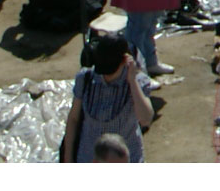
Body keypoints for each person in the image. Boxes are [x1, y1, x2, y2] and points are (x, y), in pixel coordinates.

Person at [60, 34, 154, 163]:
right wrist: (68, 159)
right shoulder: (86, 78)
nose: (106, 76)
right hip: (89, 158)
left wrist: (132, 81)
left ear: (124, 60)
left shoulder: (138, 82)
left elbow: (146, 119)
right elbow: (73, 119)